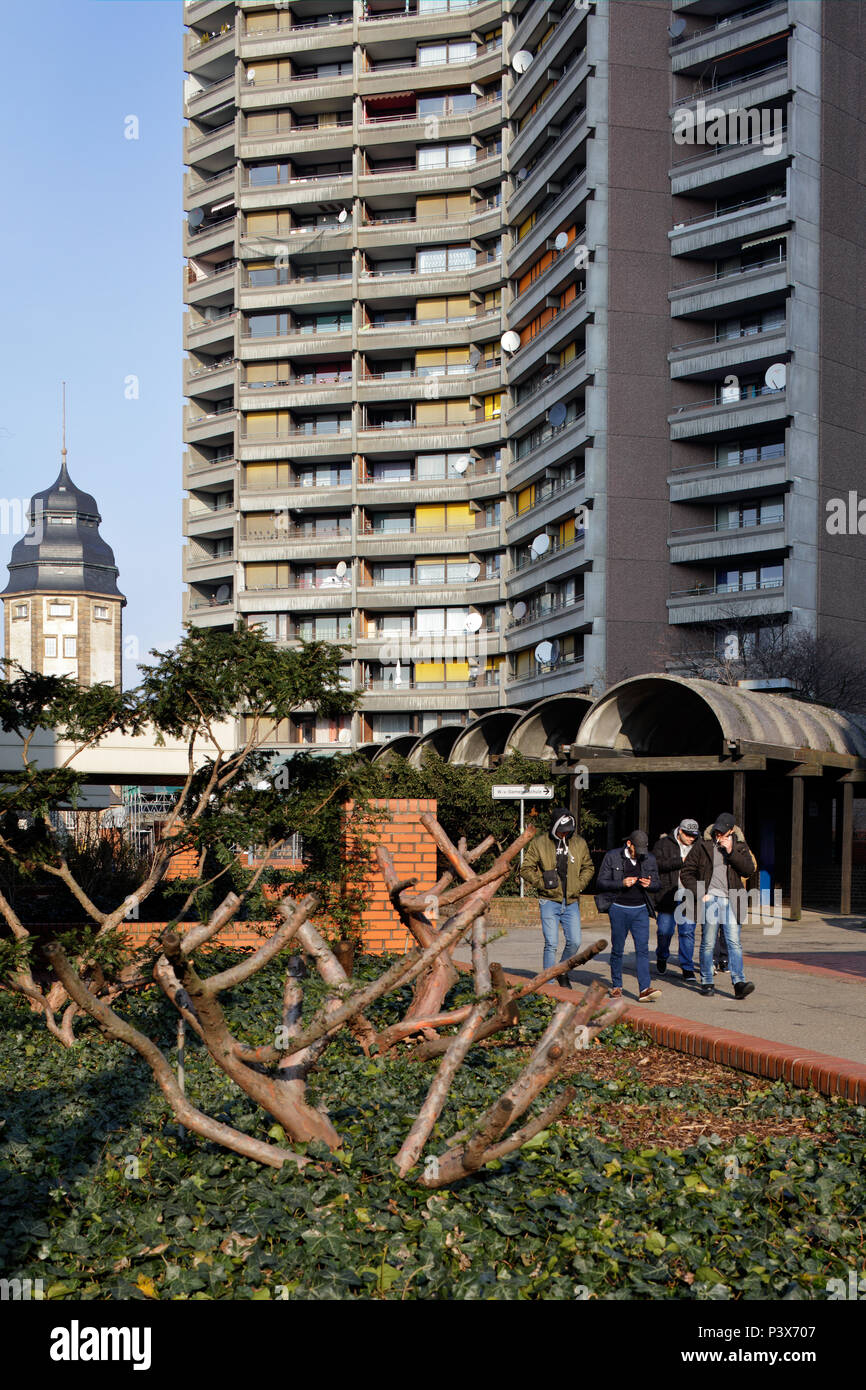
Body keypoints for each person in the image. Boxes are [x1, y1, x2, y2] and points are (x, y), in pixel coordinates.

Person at [680, 812, 757, 999]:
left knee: (734, 943)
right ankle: (707, 981)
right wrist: (700, 894)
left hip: (732, 900)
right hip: (710, 900)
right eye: (717, 832)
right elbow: (686, 872)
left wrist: (731, 852)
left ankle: (739, 983)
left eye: (723, 832)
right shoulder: (702, 846)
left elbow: (749, 870)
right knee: (708, 942)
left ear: (731, 831)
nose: (719, 836)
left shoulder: (739, 846)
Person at [521, 807, 594, 982]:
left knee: (575, 942)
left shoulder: (579, 843)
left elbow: (588, 867)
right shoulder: (540, 843)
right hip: (548, 900)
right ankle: (548, 983)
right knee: (551, 944)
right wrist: (542, 883)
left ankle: (561, 970)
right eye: (561, 831)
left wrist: (579, 885)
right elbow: (525, 868)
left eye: (567, 831)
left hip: (571, 901)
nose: (564, 834)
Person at [595, 830, 662, 1002]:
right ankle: (617, 985)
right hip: (618, 908)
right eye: (636, 850)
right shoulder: (612, 856)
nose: (639, 854)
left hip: (640, 909)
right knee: (618, 948)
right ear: (629, 844)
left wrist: (650, 884)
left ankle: (644, 989)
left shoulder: (650, 859)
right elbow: (600, 882)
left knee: (642, 949)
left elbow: (657, 884)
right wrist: (621, 883)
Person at [652, 819, 699, 980]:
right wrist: (680, 862)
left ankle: (687, 967)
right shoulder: (663, 844)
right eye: (688, 835)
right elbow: (656, 864)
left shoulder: (698, 846)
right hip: (667, 894)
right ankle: (662, 956)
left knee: (687, 932)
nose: (691, 838)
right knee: (665, 931)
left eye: (694, 836)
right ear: (680, 831)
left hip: (689, 895)